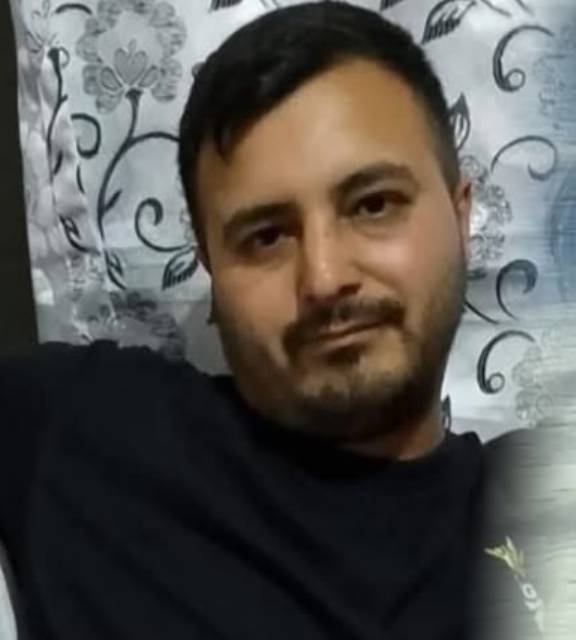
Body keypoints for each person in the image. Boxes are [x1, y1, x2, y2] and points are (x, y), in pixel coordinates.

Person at [0, 3, 544, 639]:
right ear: (209, 263)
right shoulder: (89, 433)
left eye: (373, 205)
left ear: (460, 215)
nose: (324, 277)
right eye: (265, 237)